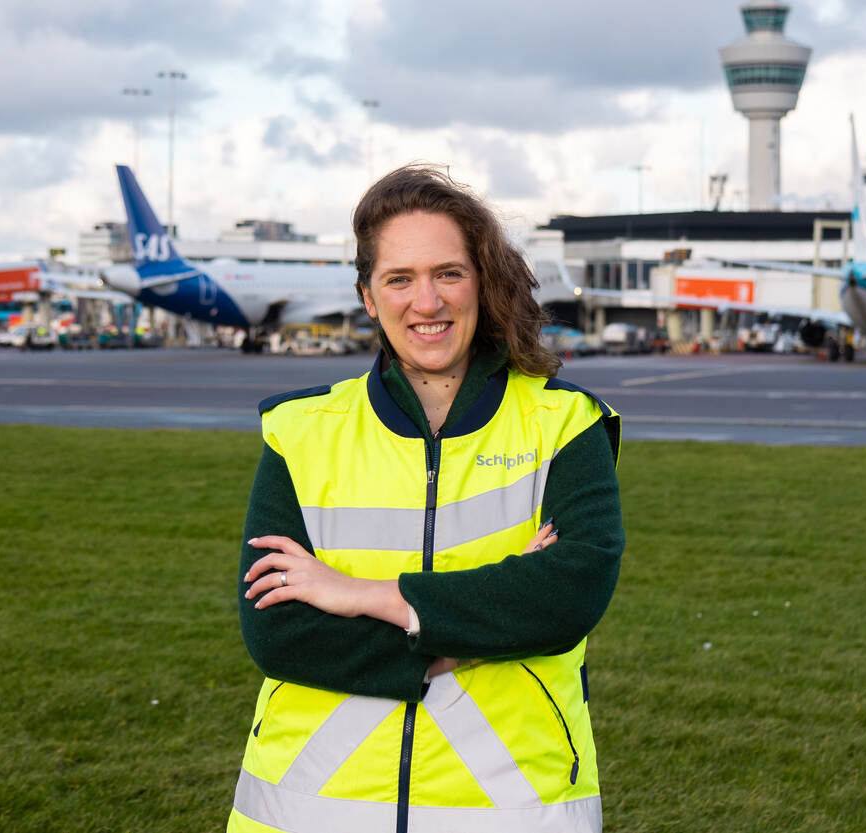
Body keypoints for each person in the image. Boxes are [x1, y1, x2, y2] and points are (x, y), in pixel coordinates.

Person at [229, 164, 624, 833]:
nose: (427, 301)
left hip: (511, 811)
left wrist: (363, 595)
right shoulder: (301, 433)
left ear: (482, 280)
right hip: (308, 811)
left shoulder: (565, 422)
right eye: (400, 278)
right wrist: (478, 629)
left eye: (449, 273)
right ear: (367, 295)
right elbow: (280, 631)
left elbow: (568, 594)